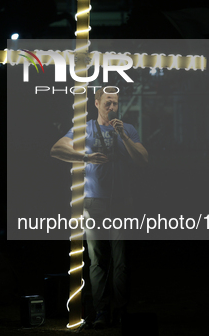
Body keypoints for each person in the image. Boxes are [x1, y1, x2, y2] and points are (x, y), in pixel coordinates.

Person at [50, 87, 148, 328]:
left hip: (121, 202)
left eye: (115, 103)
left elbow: (144, 160)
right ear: (96, 103)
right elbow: (56, 149)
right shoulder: (84, 129)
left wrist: (124, 136)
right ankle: (102, 312)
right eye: (108, 103)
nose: (112, 107)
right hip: (94, 202)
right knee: (98, 260)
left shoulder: (128, 130)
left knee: (121, 259)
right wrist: (85, 157)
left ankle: (121, 311)